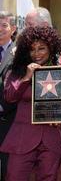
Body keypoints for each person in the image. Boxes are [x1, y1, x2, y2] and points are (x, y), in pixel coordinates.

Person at [0, 26, 61, 181]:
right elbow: (9, 97)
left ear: (51, 48)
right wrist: (26, 77)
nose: (36, 54)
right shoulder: (17, 70)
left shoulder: (60, 70)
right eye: (32, 49)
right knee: (14, 176)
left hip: (51, 138)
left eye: (41, 48)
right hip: (22, 138)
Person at [0, 11, 17, 181]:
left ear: (13, 28)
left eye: (3, 25)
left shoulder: (20, 53)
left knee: (8, 170)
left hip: (9, 122)